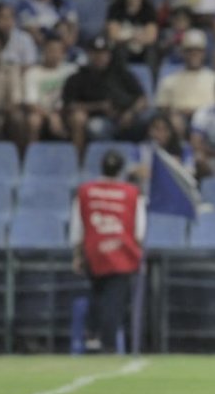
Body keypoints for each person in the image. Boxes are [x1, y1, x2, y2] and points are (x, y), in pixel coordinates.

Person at [71, 149, 144, 353]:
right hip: (122, 252)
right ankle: (108, 344)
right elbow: (139, 230)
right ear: (121, 169)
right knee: (114, 301)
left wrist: (77, 254)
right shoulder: (131, 193)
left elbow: (78, 226)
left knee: (96, 293)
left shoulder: (85, 191)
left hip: (94, 250)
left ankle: (92, 336)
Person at [62, 36, 149, 154]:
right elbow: (70, 105)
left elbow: (142, 98)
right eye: (96, 53)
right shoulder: (79, 77)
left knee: (151, 118)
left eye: (103, 53)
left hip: (129, 117)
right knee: (95, 128)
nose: (100, 57)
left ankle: (145, 159)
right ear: (89, 54)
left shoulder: (122, 73)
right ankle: (110, 159)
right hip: (103, 120)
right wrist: (98, 106)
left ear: (109, 55)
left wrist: (131, 113)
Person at [155, 29, 215, 128]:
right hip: (178, 122)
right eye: (189, 51)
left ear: (204, 53)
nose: (194, 54)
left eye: (198, 50)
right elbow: (162, 108)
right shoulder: (169, 80)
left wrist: (197, 113)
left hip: (207, 124)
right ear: (183, 53)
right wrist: (179, 112)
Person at [23, 32, 77, 144]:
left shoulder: (71, 71)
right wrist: (51, 116)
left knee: (78, 118)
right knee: (33, 120)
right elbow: (31, 104)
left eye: (58, 50)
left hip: (65, 113)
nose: (55, 54)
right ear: (43, 51)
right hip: (42, 114)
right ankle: (31, 157)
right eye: (51, 50)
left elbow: (75, 100)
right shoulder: (33, 72)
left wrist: (59, 114)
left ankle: (79, 158)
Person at [105, 0, 159, 67]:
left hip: (142, 46)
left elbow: (151, 36)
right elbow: (113, 35)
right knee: (118, 51)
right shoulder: (115, 8)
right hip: (123, 46)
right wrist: (130, 38)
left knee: (152, 51)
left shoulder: (149, 9)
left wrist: (139, 39)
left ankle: (151, 80)